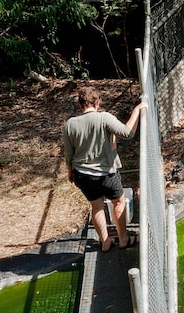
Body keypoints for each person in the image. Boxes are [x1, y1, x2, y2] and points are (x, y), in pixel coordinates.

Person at [63, 85, 147, 252]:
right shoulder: (104, 118)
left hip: (82, 175)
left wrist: (70, 172)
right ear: (98, 102)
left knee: (96, 206)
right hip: (105, 175)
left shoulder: (70, 124)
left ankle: (105, 242)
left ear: (80, 105)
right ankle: (123, 239)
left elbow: (68, 154)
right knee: (119, 201)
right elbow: (127, 133)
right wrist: (137, 110)